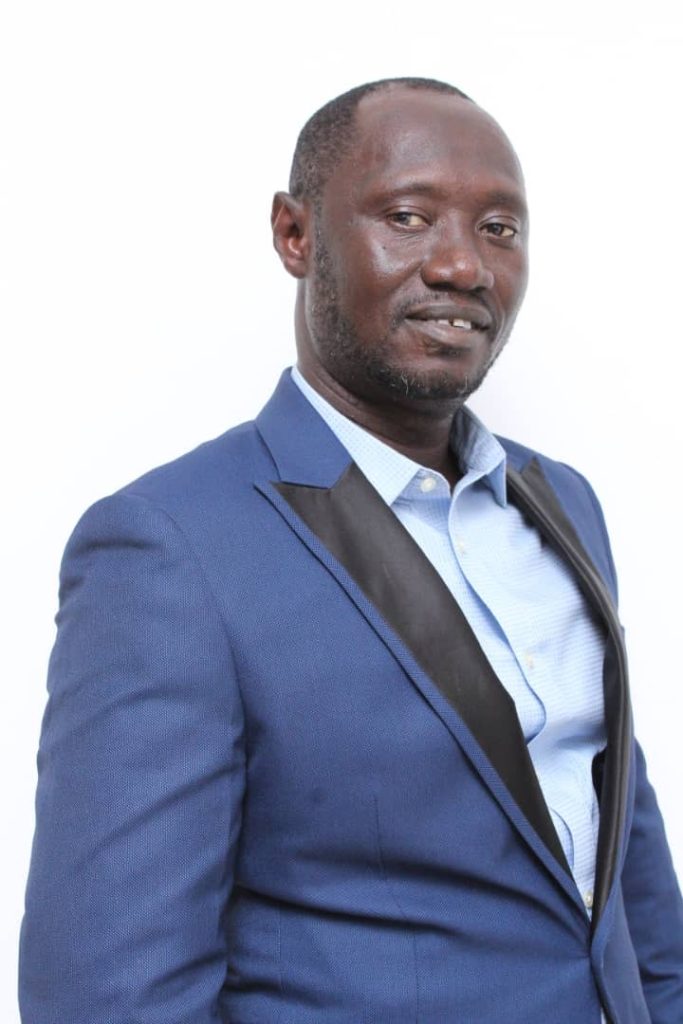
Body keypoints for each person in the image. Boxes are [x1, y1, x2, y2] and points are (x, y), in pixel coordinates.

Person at [19, 77, 683, 1023]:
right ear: (295, 235)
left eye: (498, 228)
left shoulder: (560, 501)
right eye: (407, 217)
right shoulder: (170, 549)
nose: (461, 265)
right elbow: (110, 992)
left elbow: (621, 857)